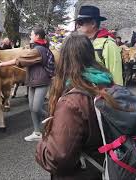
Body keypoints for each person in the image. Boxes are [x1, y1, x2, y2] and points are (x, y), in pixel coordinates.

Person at [36, 32, 116, 180]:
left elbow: (56, 159)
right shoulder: (106, 83)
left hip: (83, 172)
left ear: (64, 59)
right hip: (105, 164)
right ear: (90, 55)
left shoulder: (71, 103)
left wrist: (43, 143)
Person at [0, 26, 54, 141]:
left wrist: (0, 64)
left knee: (36, 108)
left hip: (41, 81)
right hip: (33, 81)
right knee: (31, 107)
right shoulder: (36, 48)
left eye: (32, 34)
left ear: (37, 36)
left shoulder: (38, 50)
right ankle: (37, 132)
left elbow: (18, 60)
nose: (30, 36)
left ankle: (53, 118)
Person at [74, 5, 123, 86]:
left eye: (80, 22)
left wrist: (116, 97)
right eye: (77, 23)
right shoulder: (81, 43)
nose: (77, 26)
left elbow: (116, 77)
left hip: (102, 94)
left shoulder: (108, 44)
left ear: (93, 23)